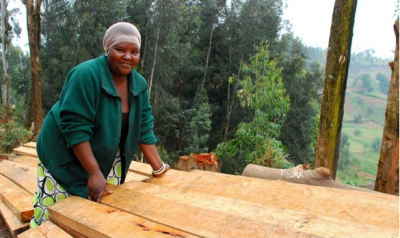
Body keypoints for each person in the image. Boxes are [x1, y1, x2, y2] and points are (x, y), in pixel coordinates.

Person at [30, 22, 170, 228]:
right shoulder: (86, 74)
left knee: (99, 212)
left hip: (106, 154)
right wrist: (94, 173)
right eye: (120, 49)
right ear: (107, 49)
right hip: (65, 153)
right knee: (57, 213)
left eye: (134, 51)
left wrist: (160, 169)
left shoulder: (139, 85)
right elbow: (75, 127)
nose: (128, 56)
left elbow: (144, 129)